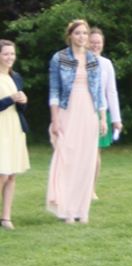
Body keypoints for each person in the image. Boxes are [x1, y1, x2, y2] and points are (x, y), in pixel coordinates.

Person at [46, 20, 107, 224]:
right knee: (67, 159)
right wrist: (55, 119)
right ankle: (66, 209)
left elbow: (99, 91)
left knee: (86, 161)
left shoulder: (93, 59)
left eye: (85, 33)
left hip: (89, 110)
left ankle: (82, 209)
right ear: (70, 35)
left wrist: (102, 117)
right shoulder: (60, 58)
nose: (82, 37)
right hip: (67, 110)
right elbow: (54, 90)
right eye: (78, 33)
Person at [89, 27, 123, 200]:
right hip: (81, 112)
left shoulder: (106, 64)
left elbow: (111, 92)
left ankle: (91, 189)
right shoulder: (77, 62)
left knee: (95, 153)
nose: (95, 45)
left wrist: (116, 119)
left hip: (101, 113)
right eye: (92, 42)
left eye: (98, 43)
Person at [0, 40, 30, 230]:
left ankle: (6, 217)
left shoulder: (16, 77)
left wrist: (22, 101)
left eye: (12, 54)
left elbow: (20, 108)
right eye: (6, 54)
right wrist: (10, 99)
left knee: (11, 174)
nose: (10, 57)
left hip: (14, 129)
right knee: (1, 173)